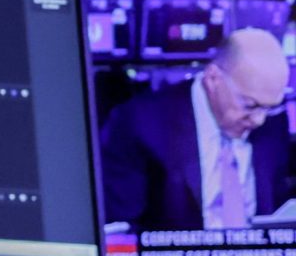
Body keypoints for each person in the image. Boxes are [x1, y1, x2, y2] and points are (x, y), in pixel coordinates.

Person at [98, 28, 295, 234]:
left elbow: (277, 207)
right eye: (249, 105)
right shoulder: (141, 122)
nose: (259, 120)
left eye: (270, 107)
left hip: (258, 253)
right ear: (213, 78)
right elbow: (122, 229)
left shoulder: (274, 121)